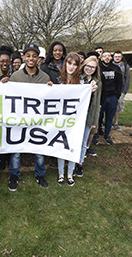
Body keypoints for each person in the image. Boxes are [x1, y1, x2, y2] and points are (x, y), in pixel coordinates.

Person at [8, 43, 52, 191]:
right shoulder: (15, 76)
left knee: (38, 149)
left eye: (34, 56)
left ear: (38, 58)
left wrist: (52, 90)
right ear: (24, 57)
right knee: (16, 149)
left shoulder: (45, 77)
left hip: (37, 121)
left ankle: (40, 174)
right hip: (19, 120)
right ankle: (14, 175)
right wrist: (3, 86)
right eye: (28, 55)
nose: (31, 58)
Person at [56, 52, 83, 186]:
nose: (71, 67)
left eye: (75, 64)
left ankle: (70, 174)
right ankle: (61, 173)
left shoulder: (82, 83)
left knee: (73, 145)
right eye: (69, 63)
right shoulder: (58, 80)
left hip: (75, 121)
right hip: (61, 120)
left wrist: (91, 90)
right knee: (62, 145)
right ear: (65, 63)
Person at [40, 41, 67, 168]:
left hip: (65, 101)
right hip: (51, 102)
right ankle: (51, 156)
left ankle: (60, 153)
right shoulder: (45, 66)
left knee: (62, 127)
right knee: (52, 128)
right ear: (51, 52)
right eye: (55, 50)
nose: (57, 52)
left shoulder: (67, 65)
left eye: (60, 50)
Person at [75, 56, 101, 177]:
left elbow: (96, 103)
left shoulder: (97, 82)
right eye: (88, 66)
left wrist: (94, 120)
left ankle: (80, 164)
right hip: (75, 113)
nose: (89, 69)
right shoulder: (76, 78)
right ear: (84, 65)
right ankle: (70, 161)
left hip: (88, 112)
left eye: (93, 67)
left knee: (84, 140)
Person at [92, 51, 122, 146]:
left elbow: (120, 83)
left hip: (112, 97)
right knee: (98, 117)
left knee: (109, 118)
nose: (107, 57)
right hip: (101, 97)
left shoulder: (116, 68)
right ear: (101, 58)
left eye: (109, 56)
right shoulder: (98, 69)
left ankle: (107, 135)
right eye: (104, 56)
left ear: (111, 58)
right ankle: (95, 136)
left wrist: (117, 95)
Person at [112, 51, 130, 131]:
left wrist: (124, 91)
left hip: (121, 90)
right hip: (111, 89)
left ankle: (116, 123)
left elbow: (128, 79)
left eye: (119, 56)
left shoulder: (125, 66)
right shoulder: (110, 64)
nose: (117, 58)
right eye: (116, 56)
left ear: (121, 57)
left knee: (118, 107)